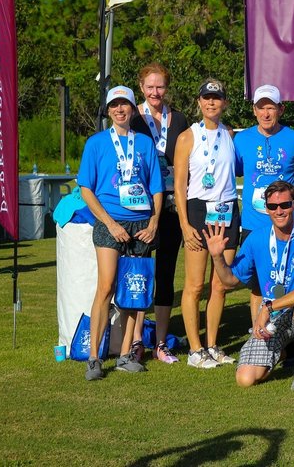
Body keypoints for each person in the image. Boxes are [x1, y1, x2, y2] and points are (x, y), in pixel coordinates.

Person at [203, 181, 294, 390]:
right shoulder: (257, 238)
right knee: (245, 379)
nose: (279, 211)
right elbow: (230, 281)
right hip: (273, 317)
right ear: (266, 208)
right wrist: (217, 258)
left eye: (285, 205)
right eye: (273, 206)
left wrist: (267, 308)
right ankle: (283, 350)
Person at [79, 85, 163, 380]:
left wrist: (153, 223)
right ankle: (94, 358)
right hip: (109, 222)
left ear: (132, 108)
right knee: (106, 288)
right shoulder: (97, 143)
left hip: (141, 225)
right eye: (114, 105)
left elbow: (156, 187)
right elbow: (86, 188)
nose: (119, 109)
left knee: (134, 292)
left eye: (124, 104)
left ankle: (126, 353)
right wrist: (110, 223)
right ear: (108, 110)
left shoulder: (144, 143)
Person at [174, 79, 239, 369]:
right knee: (195, 284)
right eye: (206, 98)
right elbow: (178, 186)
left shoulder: (230, 134)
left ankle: (212, 345)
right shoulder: (187, 136)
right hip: (198, 210)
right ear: (199, 102)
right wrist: (185, 225)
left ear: (224, 103)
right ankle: (195, 349)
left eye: (217, 98)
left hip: (227, 211)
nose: (212, 103)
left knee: (221, 284)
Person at [128, 63, 189, 365]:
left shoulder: (178, 119)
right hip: (139, 207)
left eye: (160, 86)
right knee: (140, 273)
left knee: (165, 272)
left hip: (172, 207)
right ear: (141, 87)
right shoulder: (132, 118)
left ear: (167, 88)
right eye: (150, 87)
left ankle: (161, 343)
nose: (155, 92)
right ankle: (137, 339)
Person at [234, 84, 294, 326]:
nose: (266, 113)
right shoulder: (241, 139)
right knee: (256, 285)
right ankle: (258, 335)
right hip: (254, 225)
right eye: (261, 107)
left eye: (271, 107)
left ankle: (289, 337)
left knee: (289, 281)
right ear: (254, 110)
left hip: (287, 226)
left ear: (281, 109)